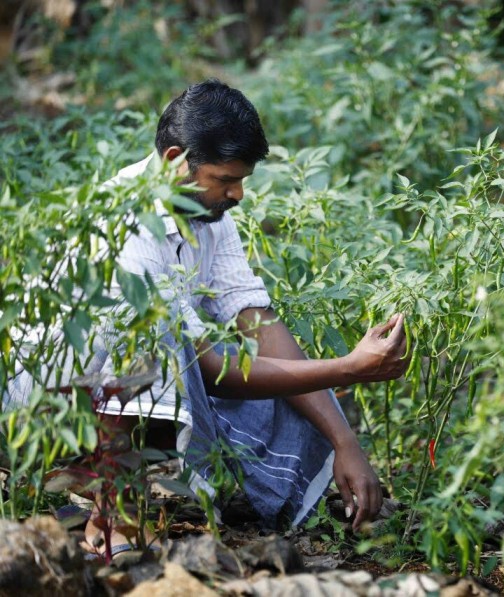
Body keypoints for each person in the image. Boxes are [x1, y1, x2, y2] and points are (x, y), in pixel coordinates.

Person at [10, 79, 409, 557]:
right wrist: (349, 368)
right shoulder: (126, 227)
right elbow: (212, 373)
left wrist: (346, 441)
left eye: (241, 180)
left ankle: (125, 488)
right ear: (175, 159)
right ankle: (120, 511)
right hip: (34, 414)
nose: (238, 194)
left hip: (100, 395)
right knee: (148, 332)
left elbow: (256, 320)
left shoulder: (206, 213)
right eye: (226, 180)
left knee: (285, 377)